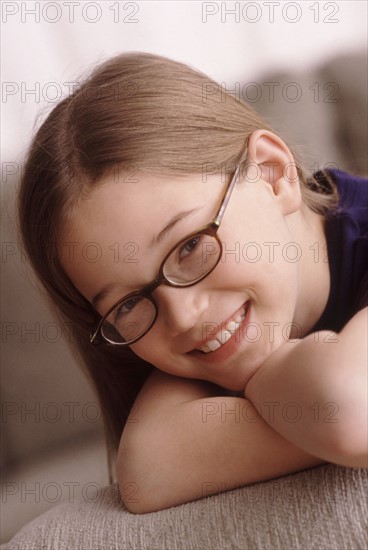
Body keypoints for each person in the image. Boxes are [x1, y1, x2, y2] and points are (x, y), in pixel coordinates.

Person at [18, 51, 367, 514]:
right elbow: (146, 470)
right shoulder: (202, 342)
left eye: (188, 247)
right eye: (128, 304)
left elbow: (346, 410)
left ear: (271, 172)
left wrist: (274, 383)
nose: (182, 316)